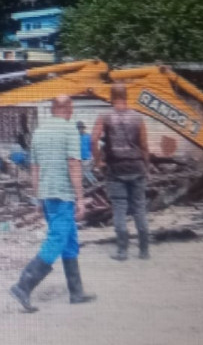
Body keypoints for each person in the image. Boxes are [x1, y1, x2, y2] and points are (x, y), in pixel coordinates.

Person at [10, 95, 96, 313]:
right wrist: (80, 198)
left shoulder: (39, 132)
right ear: (66, 108)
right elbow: (74, 165)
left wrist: (38, 197)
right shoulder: (70, 130)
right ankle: (23, 286)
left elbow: (34, 168)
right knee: (56, 241)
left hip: (47, 195)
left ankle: (76, 292)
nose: (71, 112)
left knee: (69, 241)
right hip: (63, 195)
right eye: (71, 108)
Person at [92, 83, 151, 261]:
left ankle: (122, 251)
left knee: (119, 210)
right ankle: (144, 251)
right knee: (139, 209)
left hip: (115, 169)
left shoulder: (105, 117)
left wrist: (98, 161)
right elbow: (144, 145)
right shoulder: (138, 118)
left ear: (111, 97)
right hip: (137, 167)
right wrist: (146, 166)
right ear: (127, 97)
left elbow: (93, 139)